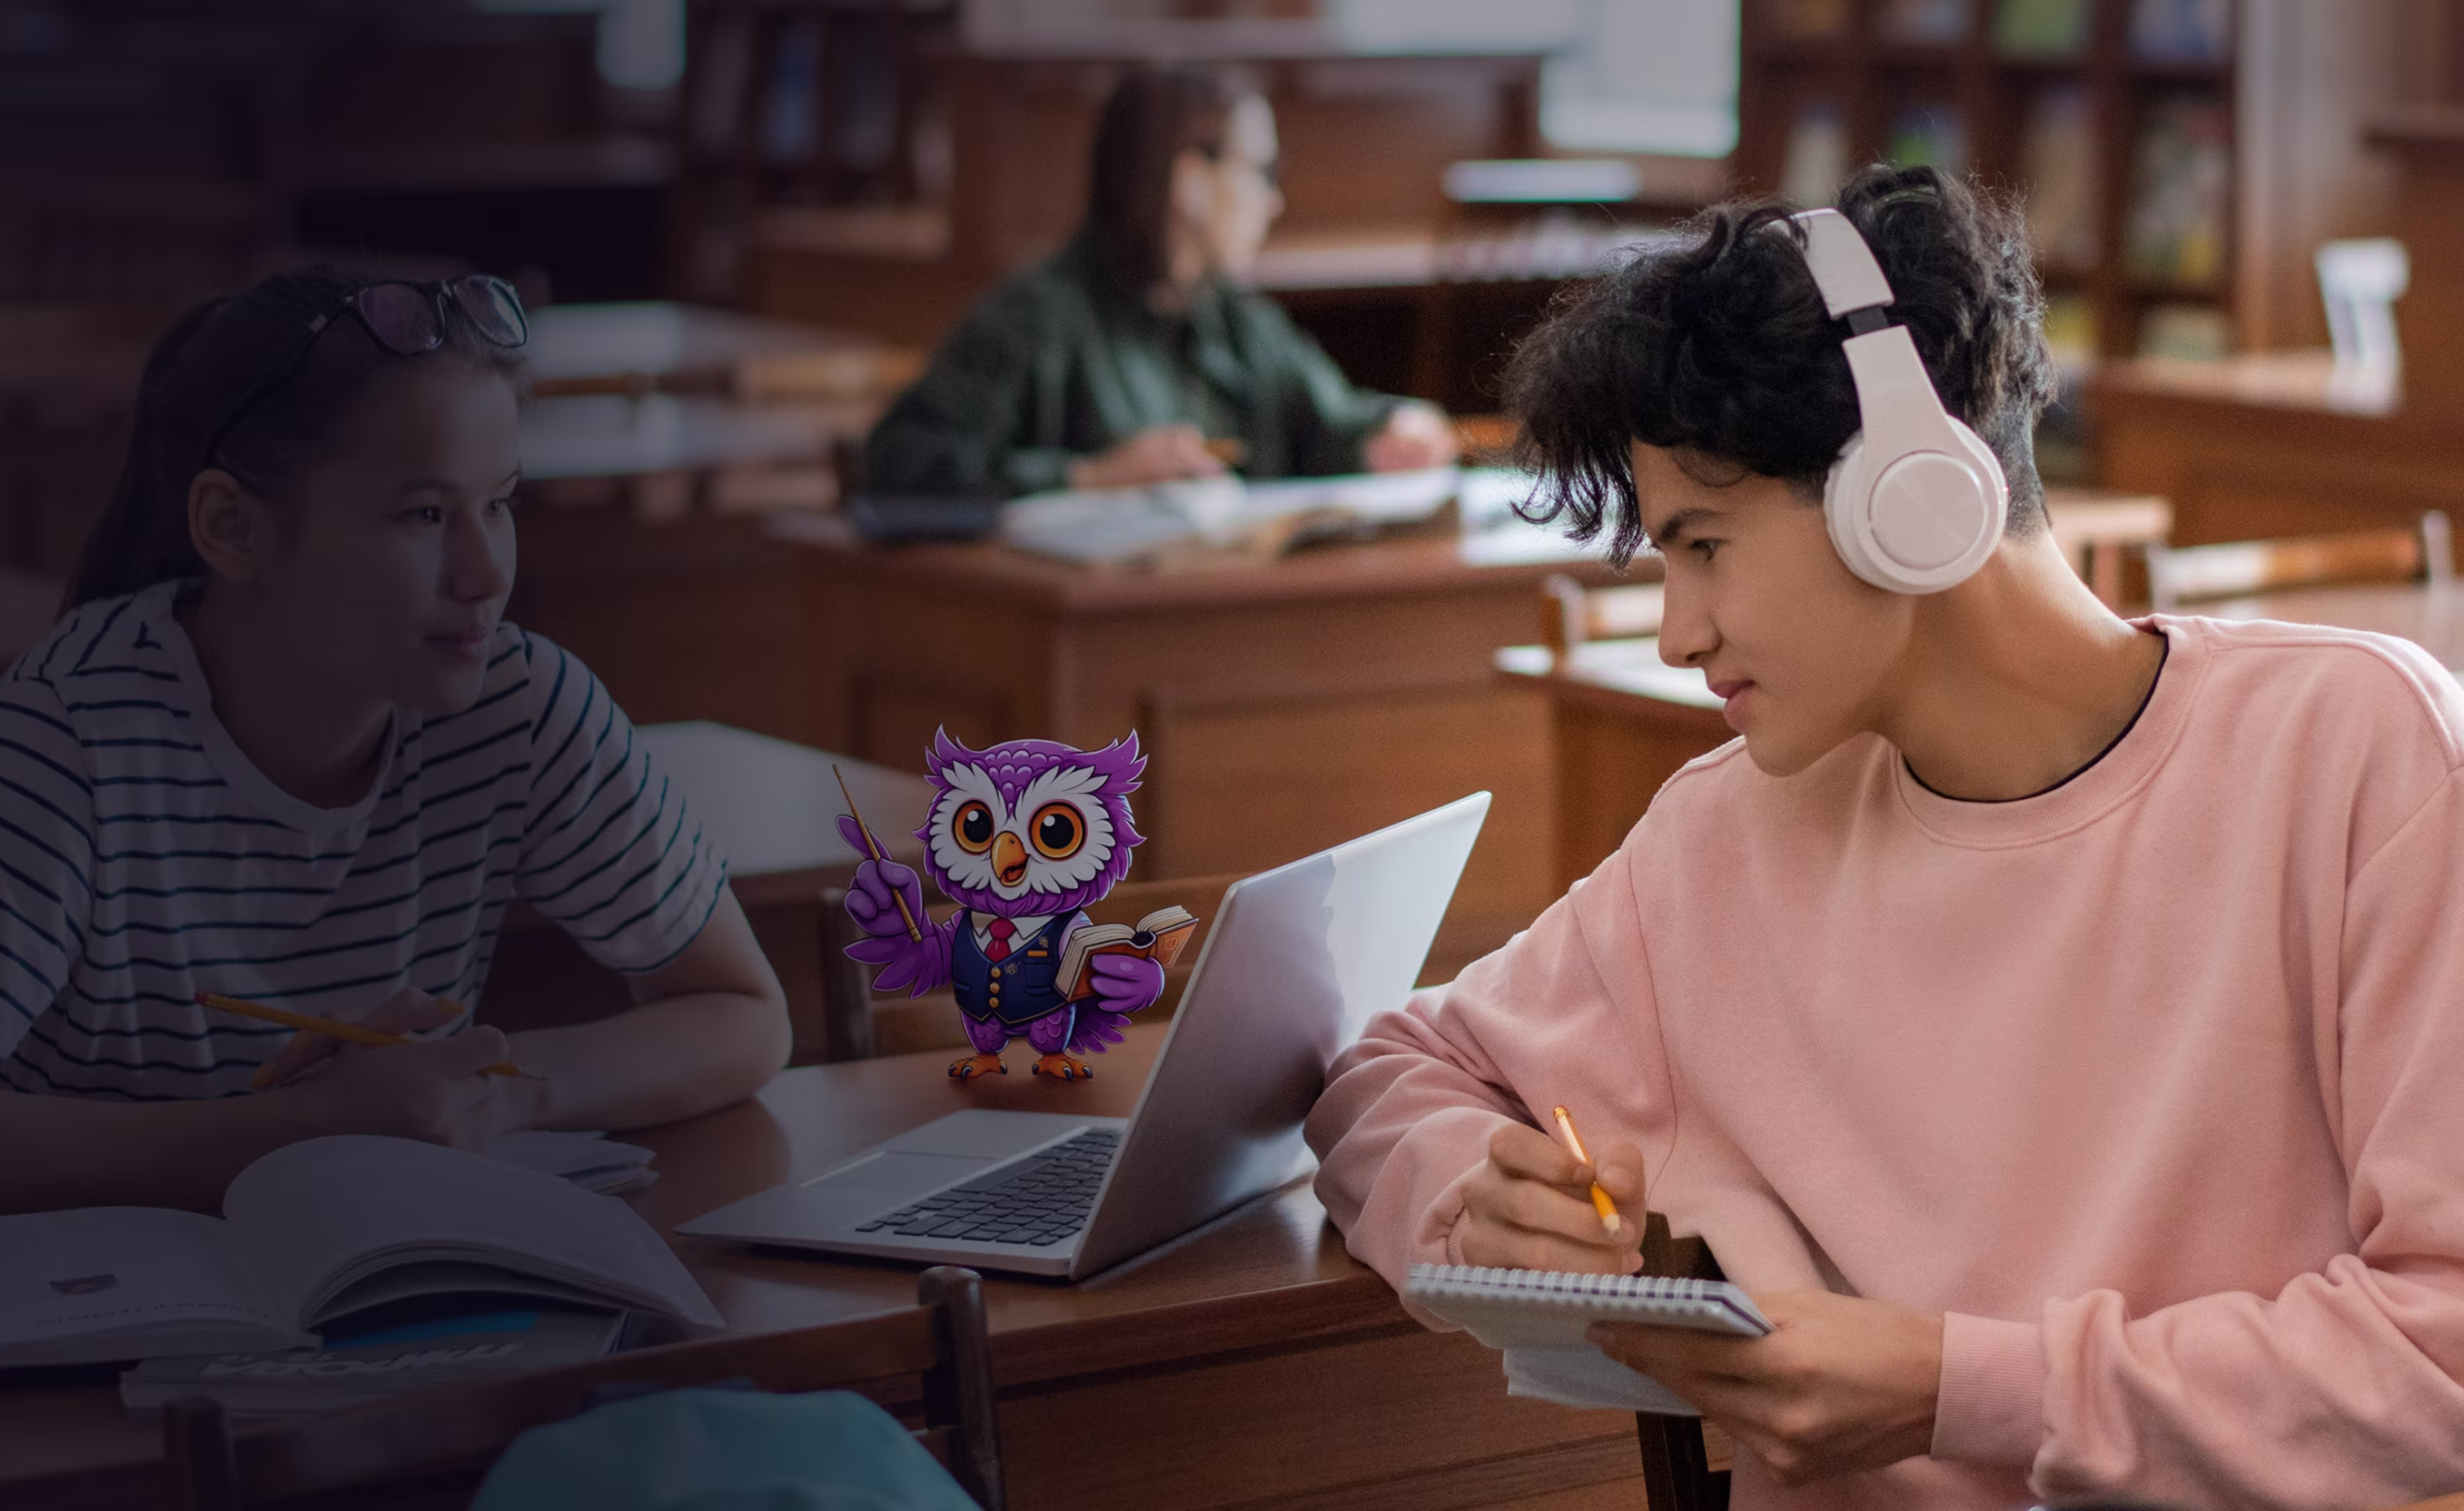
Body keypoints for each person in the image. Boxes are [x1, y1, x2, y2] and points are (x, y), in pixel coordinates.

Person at [1304, 164, 2464, 1508]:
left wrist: (1952, 1386)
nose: (1677, 632)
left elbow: (2444, 1356)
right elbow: (1388, 1072)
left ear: (1910, 495)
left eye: (1705, 544)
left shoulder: (2361, 757)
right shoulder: (1721, 837)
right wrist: (1474, 1211)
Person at [0, 269, 791, 1224]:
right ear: (232, 527)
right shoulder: (79, 722)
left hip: (376, 1281)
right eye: (422, 514)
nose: (485, 572)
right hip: (89, 1306)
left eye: (499, 503)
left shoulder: (519, 705)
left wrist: (496, 1090)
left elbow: (746, 1015)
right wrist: (296, 1128)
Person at [860, 64, 1458, 499]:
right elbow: (897, 461)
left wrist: (1391, 430)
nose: (1274, 201)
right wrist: (1086, 477)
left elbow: (1327, 422)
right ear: (1190, 180)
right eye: (1262, 171)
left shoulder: (1234, 316)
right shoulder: (1037, 316)